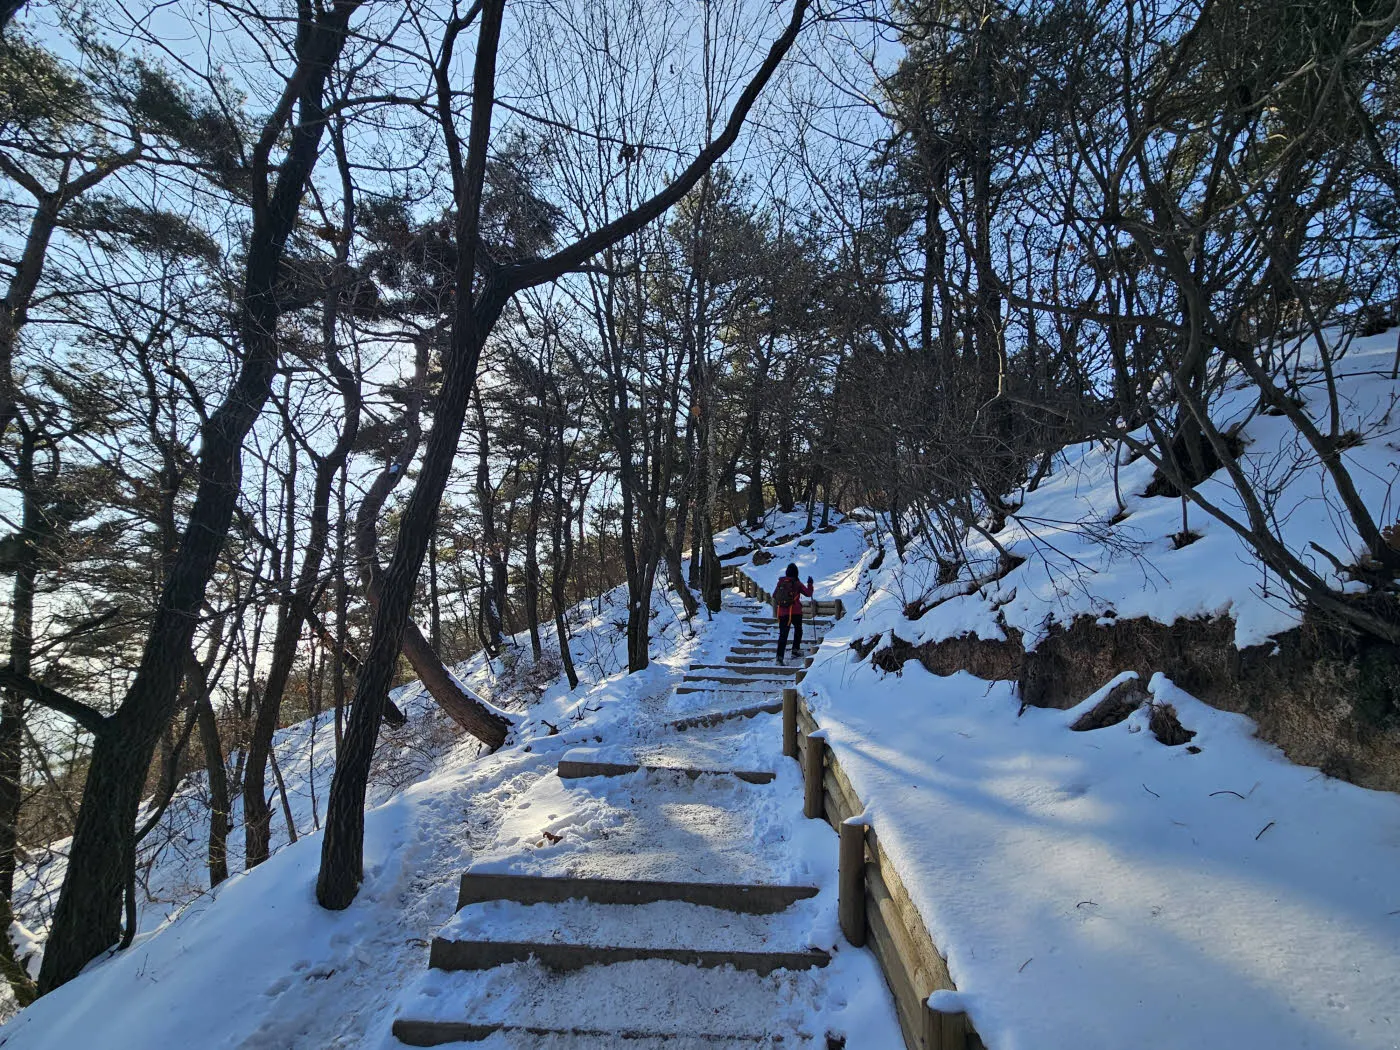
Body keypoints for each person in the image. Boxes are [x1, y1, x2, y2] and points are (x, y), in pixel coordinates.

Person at [773, 563, 814, 665]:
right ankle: (795, 650)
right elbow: (808, 593)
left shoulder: (781, 582)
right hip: (795, 611)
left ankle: (779, 658)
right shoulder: (797, 583)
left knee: (783, 635)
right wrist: (810, 584)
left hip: (782, 612)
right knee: (798, 630)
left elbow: (774, 595)